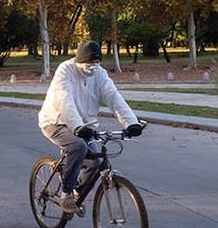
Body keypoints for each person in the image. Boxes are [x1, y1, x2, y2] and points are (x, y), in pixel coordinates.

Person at [38, 40, 143, 214]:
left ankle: (77, 192)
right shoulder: (65, 70)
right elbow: (64, 100)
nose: (92, 66)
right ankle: (66, 195)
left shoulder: (100, 74)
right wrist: (77, 126)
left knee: (96, 162)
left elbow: (113, 97)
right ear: (79, 60)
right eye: (89, 62)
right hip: (55, 122)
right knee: (78, 146)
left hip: (85, 126)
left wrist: (131, 122)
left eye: (96, 62)